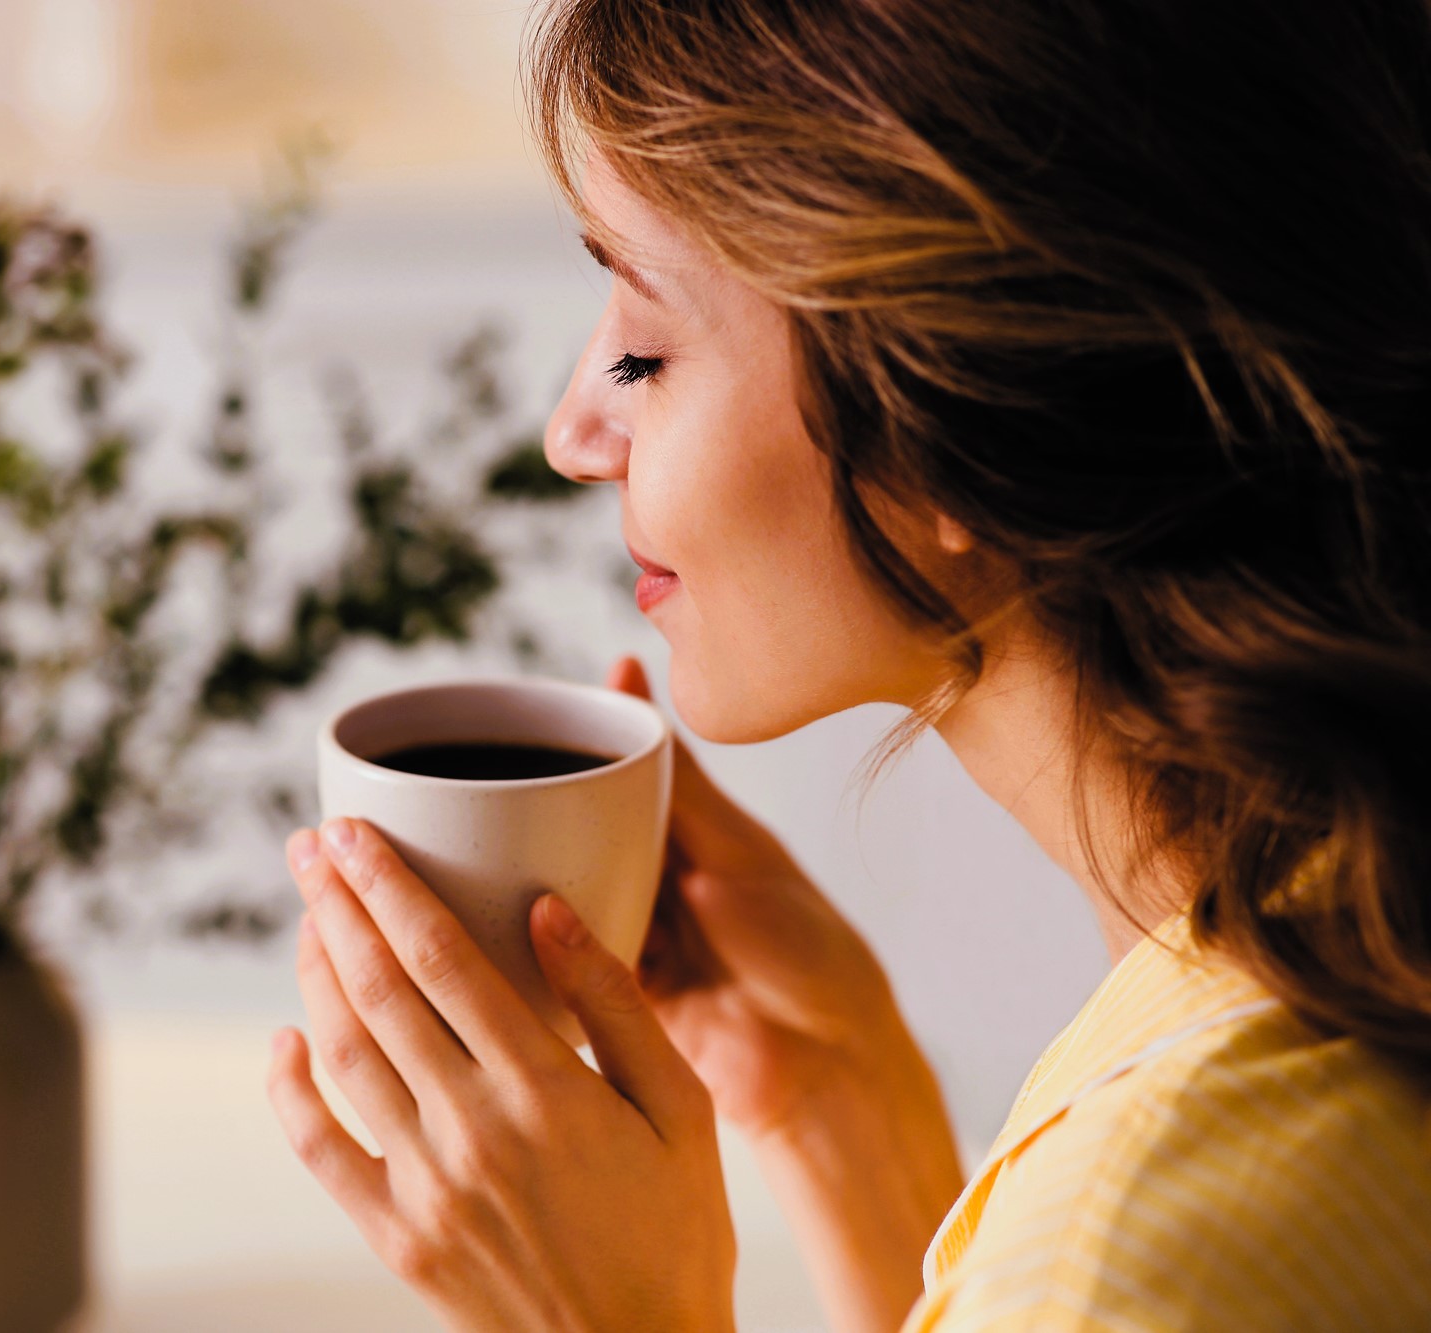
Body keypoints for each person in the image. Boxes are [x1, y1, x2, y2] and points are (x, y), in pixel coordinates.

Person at [264, 0, 1431, 1328]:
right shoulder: (1343, 967)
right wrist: (847, 1128)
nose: (572, 431)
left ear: (953, 413)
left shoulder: (1127, 1262)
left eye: (646, 349)